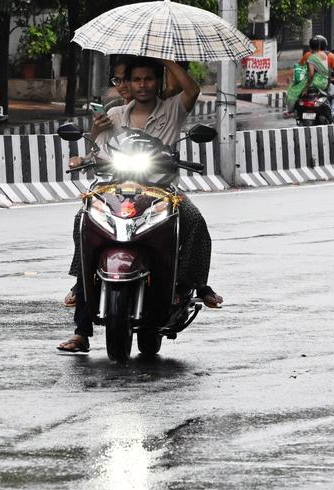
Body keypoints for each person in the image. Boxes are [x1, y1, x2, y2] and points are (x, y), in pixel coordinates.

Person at [58, 57, 222, 354]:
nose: (143, 85)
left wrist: (166, 60)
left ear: (157, 81)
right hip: (114, 188)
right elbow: (97, 148)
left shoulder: (172, 110)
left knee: (194, 218)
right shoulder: (116, 113)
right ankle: (81, 311)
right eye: (136, 80)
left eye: (149, 79)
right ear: (129, 85)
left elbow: (192, 90)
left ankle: (190, 285)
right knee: (82, 219)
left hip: (161, 189)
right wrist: (94, 133)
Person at [297, 35, 334, 119]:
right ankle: (332, 112)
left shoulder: (307, 55)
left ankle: (293, 112)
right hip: (322, 84)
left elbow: (299, 68)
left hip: (308, 85)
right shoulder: (329, 56)